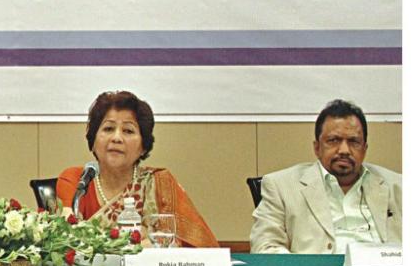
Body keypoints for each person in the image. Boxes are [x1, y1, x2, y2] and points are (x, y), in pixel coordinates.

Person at [55, 91, 218, 248]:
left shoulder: (160, 184)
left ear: (143, 146)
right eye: (108, 129)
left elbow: (197, 246)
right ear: (93, 140)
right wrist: (141, 243)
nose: (116, 138)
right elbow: (66, 236)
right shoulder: (78, 180)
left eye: (128, 131)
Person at [250, 99, 401, 254]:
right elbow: (265, 247)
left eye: (353, 141)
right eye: (333, 140)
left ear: (364, 149)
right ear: (317, 148)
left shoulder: (399, 186)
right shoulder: (281, 186)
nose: (344, 150)